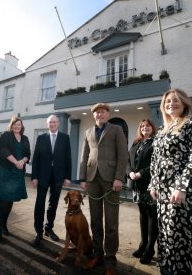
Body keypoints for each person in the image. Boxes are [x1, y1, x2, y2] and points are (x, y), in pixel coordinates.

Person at [149, 88, 192, 275]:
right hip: (164, 191)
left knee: (184, 235)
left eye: (175, 100)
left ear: (184, 103)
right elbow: (155, 159)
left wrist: (182, 186)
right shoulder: (162, 129)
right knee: (168, 234)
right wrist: (153, 183)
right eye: (167, 101)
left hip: (185, 190)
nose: (171, 104)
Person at [79, 103, 128, 275]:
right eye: (96, 112)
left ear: (107, 114)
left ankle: (110, 261)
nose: (99, 114)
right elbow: (84, 156)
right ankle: (97, 255)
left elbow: (123, 155)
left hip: (111, 181)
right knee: (95, 220)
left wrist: (119, 177)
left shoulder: (116, 129)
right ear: (93, 115)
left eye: (102, 112)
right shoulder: (88, 132)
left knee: (111, 223)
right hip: (92, 180)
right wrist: (82, 178)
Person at [31, 114, 71, 247]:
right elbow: (35, 158)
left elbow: (68, 158)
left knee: (53, 204)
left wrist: (67, 177)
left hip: (58, 176)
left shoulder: (65, 138)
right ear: (47, 124)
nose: (52, 124)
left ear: (58, 123)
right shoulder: (41, 138)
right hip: (42, 176)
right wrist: (34, 177)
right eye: (50, 123)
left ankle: (49, 228)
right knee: (40, 203)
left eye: (54, 122)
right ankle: (38, 231)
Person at [0, 116, 30, 242]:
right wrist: (16, 162)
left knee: (10, 200)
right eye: (15, 124)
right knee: (2, 201)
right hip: (4, 171)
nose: (17, 126)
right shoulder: (6, 135)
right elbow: (3, 150)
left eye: (19, 124)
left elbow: (28, 154)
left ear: (21, 126)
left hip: (17, 173)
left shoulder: (25, 138)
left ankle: (4, 225)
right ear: (11, 125)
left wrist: (23, 161)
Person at [126, 119, 158, 265]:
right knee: (142, 215)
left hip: (149, 185)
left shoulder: (156, 142)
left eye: (148, 126)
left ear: (152, 128)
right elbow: (128, 160)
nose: (145, 128)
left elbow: (157, 163)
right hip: (137, 186)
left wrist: (141, 173)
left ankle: (150, 249)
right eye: (142, 126)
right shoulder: (136, 143)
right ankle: (143, 245)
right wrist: (130, 173)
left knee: (152, 217)